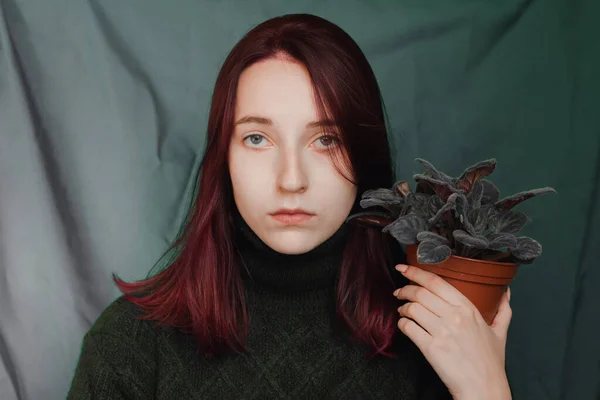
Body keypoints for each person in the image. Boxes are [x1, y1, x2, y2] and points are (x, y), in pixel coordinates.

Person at [67, 13, 512, 400]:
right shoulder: (130, 345)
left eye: (325, 140)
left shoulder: (434, 334)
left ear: (364, 154)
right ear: (224, 160)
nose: (291, 180)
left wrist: (487, 391)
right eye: (257, 138)